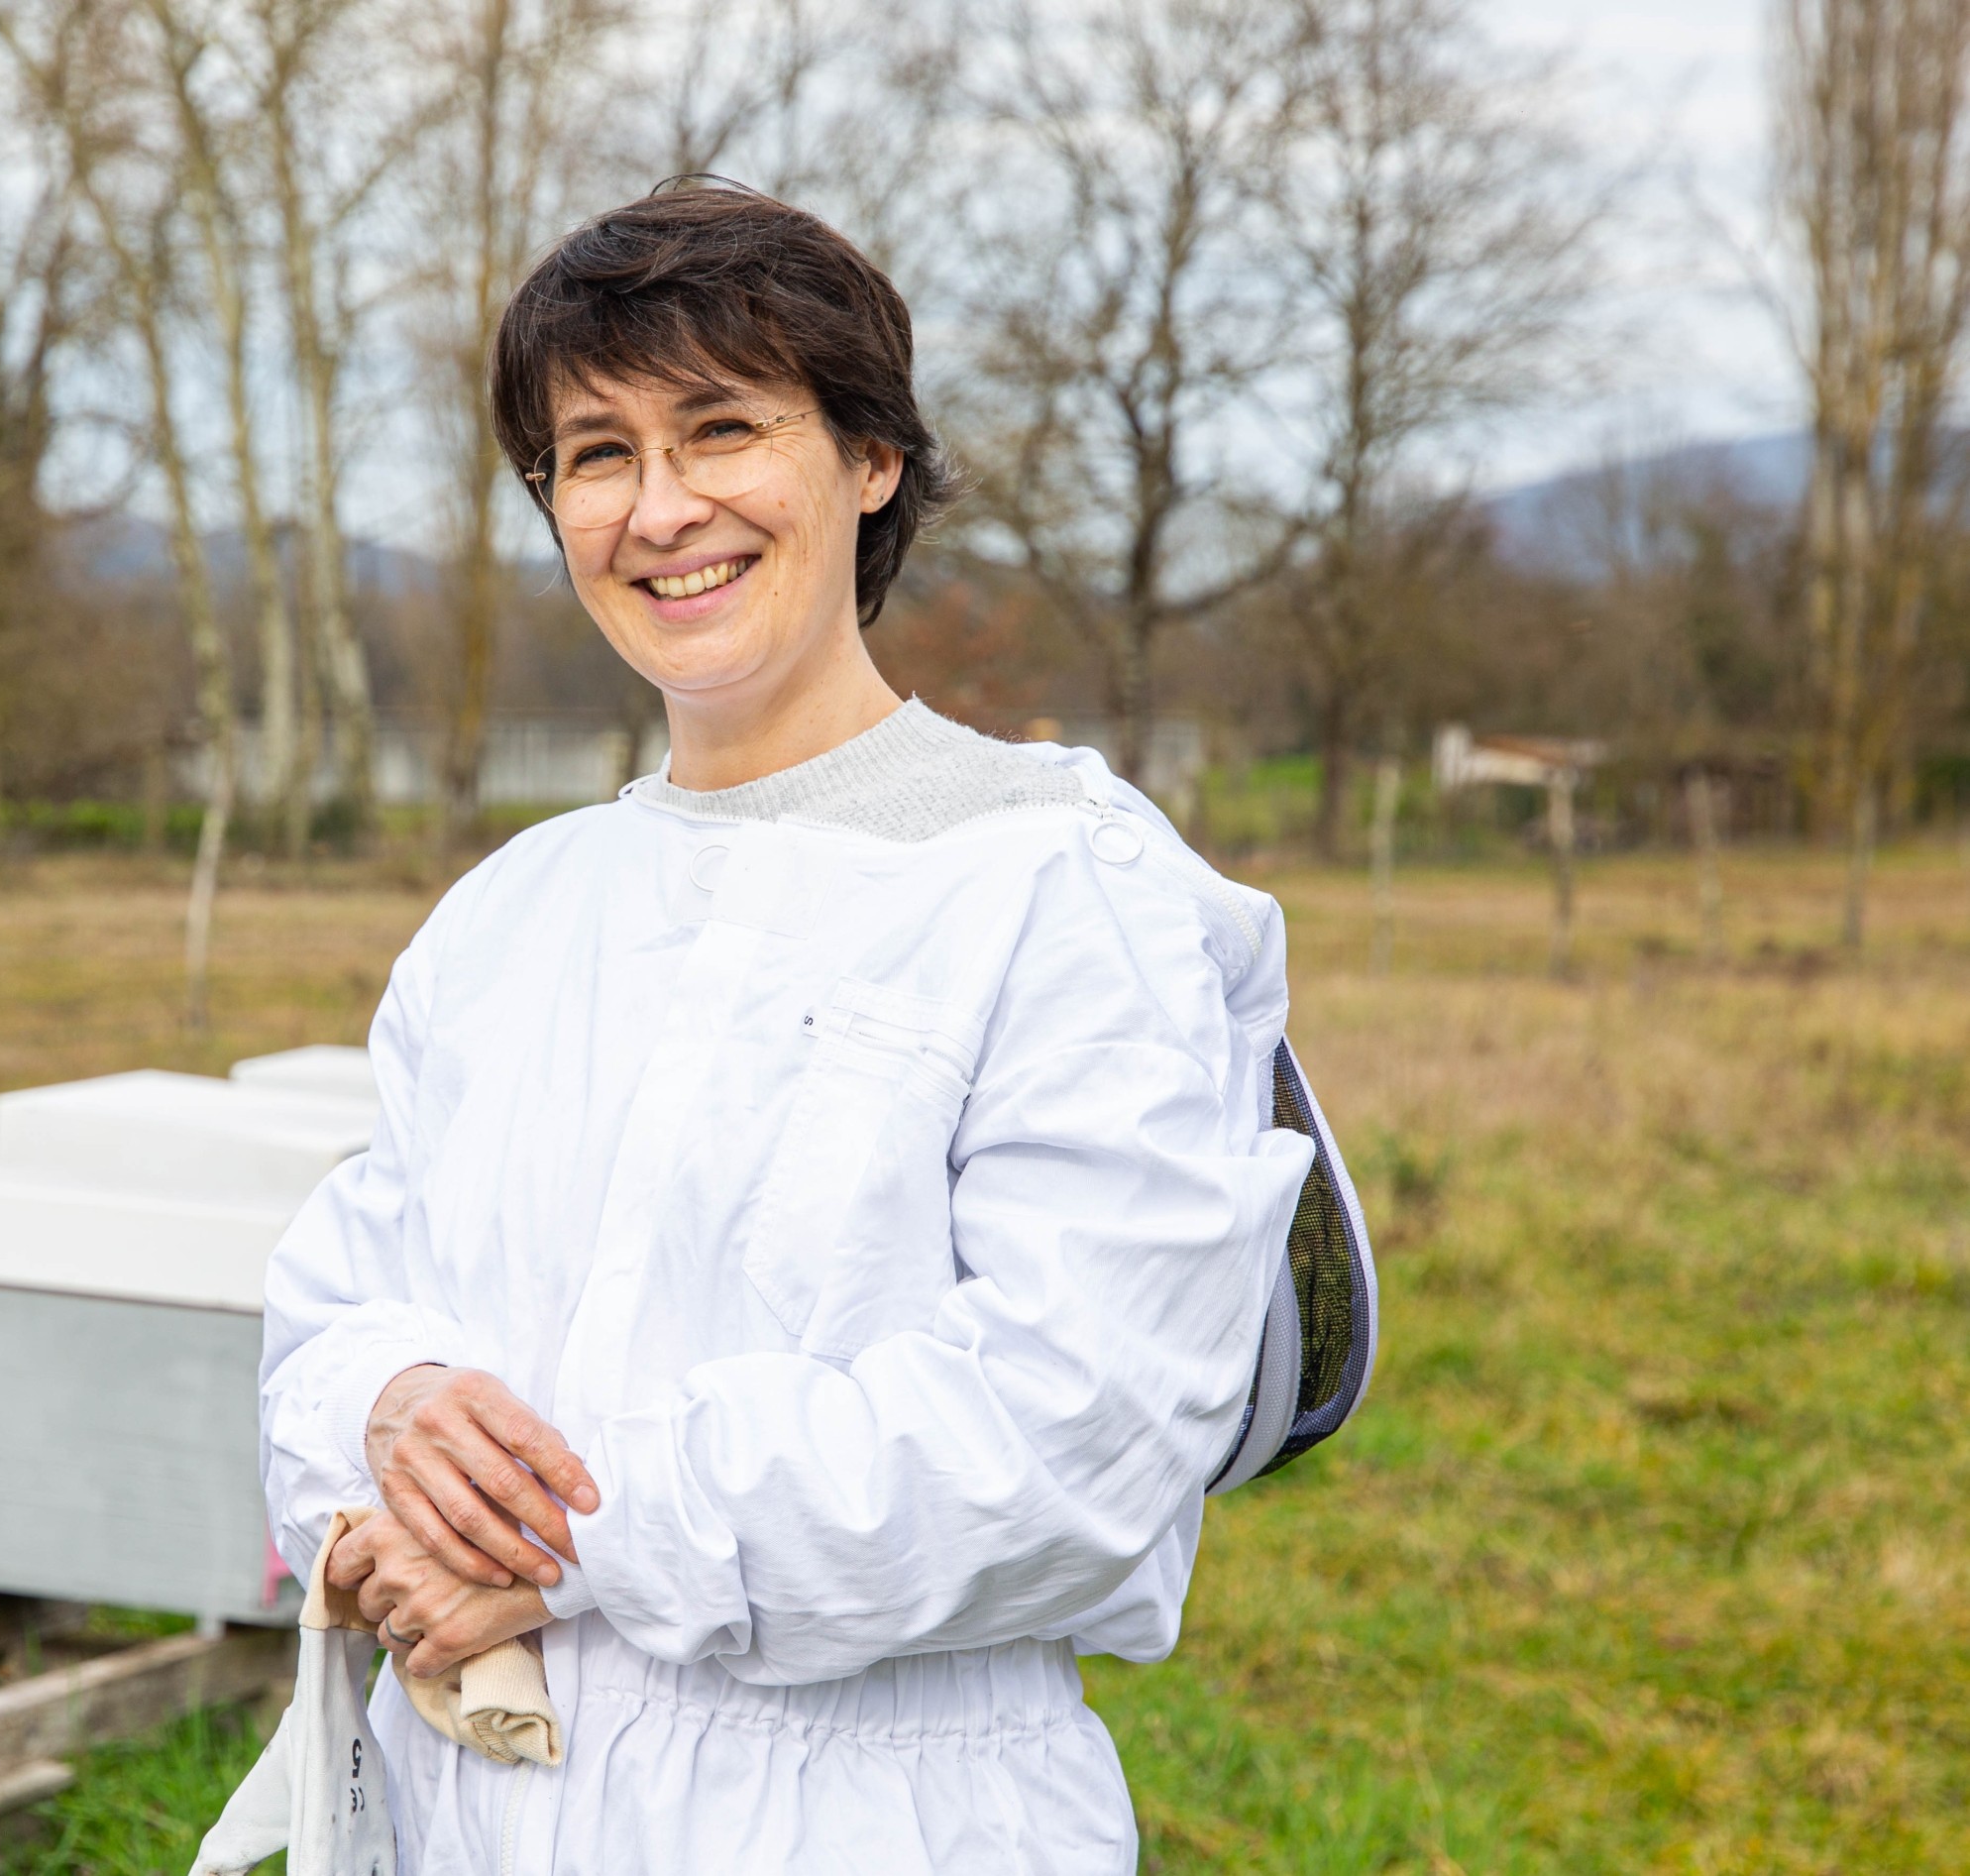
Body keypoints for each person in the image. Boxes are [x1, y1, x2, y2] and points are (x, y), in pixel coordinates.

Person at [259, 182, 1315, 1874]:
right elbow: (334, 1302)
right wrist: (392, 1415)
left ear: (870, 456)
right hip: (464, 1806)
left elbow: (1072, 1437)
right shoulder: (509, 915)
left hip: (873, 1815)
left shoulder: (1058, 885)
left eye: (724, 429)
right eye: (595, 454)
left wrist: (564, 1536)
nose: (661, 508)